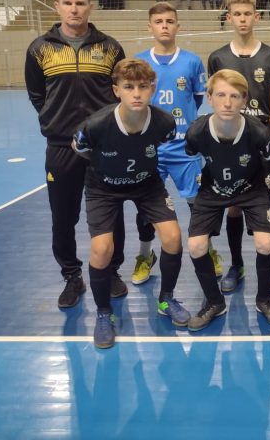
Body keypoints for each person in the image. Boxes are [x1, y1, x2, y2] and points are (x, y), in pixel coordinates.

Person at [72, 59, 190, 348]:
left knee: (173, 238)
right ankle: (104, 313)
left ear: (152, 89)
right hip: (103, 188)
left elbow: (159, 144)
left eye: (143, 87)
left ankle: (166, 299)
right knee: (102, 249)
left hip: (147, 184)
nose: (136, 93)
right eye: (128, 87)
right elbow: (81, 149)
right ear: (116, 91)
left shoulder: (164, 123)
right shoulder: (95, 126)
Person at [24, 0, 127, 309]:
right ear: (57, 7)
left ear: (90, 7)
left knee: (111, 213)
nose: (74, 9)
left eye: (80, 3)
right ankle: (71, 275)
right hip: (61, 147)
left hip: (103, 146)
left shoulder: (110, 48)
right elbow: (37, 95)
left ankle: (111, 270)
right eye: (67, 3)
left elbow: (119, 93)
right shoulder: (40, 49)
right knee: (63, 216)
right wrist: (56, 122)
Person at [184, 70, 270, 329]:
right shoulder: (196, 132)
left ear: (244, 100)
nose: (227, 103)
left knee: (265, 243)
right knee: (196, 246)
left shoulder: (259, 132)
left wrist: (264, 203)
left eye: (235, 96)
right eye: (220, 95)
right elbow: (194, 158)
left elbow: (268, 166)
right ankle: (214, 302)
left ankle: (264, 300)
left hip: (251, 187)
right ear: (209, 98)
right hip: (213, 188)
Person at [133, 2, 221, 284]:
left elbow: (197, 98)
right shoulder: (140, 62)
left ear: (178, 26)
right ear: (149, 26)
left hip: (185, 147)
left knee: (198, 204)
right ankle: (145, 255)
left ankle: (209, 251)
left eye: (169, 21)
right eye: (158, 21)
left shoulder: (192, 62)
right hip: (151, 149)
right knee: (146, 207)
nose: (164, 26)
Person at [207, 0, 270, 293]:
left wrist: (265, 125)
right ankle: (237, 264)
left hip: (259, 141)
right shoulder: (218, 57)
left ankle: (269, 263)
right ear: (229, 17)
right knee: (234, 206)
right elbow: (214, 97)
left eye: (247, 14)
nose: (242, 19)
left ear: (257, 16)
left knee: (263, 202)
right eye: (237, 14)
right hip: (228, 142)